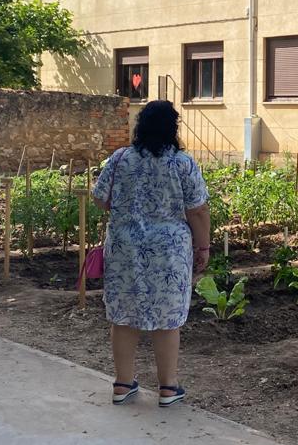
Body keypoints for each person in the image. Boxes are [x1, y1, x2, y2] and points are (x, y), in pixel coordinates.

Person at [91, 100, 211, 407]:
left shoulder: (119, 159)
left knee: (123, 315)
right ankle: (168, 389)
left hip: (124, 248)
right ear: (173, 128)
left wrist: (129, 209)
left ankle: (122, 384)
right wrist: (203, 247)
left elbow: (100, 200)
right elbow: (197, 210)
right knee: (167, 318)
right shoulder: (183, 164)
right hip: (168, 252)